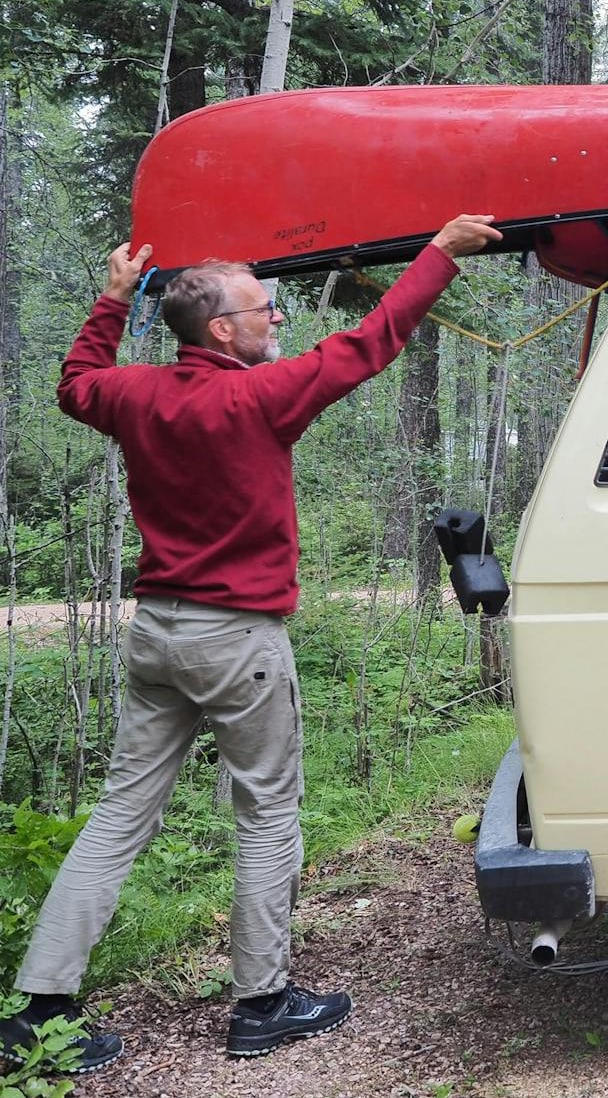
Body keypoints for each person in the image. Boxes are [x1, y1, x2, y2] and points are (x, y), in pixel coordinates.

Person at [0, 213, 503, 1071]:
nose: (278, 316)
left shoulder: (136, 395)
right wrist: (439, 255)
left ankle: (38, 1010)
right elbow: (373, 340)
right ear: (221, 329)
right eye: (263, 308)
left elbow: (78, 380)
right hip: (237, 642)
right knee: (268, 816)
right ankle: (263, 1005)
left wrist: (112, 298)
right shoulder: (259, 397)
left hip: (157, 634)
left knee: (121, 813)